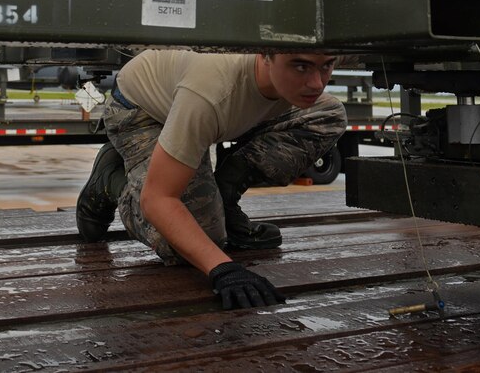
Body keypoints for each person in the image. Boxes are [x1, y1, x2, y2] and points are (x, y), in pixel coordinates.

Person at [75, 50, 347, 310]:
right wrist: (223, 268)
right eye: (300, 66)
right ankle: (111, 180)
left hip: (197, 106)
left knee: (327, 115)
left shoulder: (290, 85)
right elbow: (158, 199)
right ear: (264, 55)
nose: (316, 83)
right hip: (144, 111)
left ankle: (225, 201)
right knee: (191, 245)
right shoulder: (210, 93)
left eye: (326, 66)